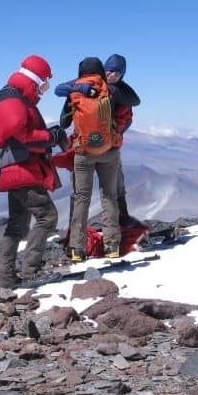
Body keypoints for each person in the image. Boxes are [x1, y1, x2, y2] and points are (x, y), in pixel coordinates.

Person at [0, 54, 66, 288]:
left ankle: (6, 278)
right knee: (47, 216)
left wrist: (48, 136)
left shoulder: (14, 96)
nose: (44, 90)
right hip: (21, 170)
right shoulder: (12, 98)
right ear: (34, 78)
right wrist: (49, 138)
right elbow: (18, 135)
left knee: (18, 224)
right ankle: (31, 272)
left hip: (16, 170)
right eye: (43, 83)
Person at [61, 57, 122, 262]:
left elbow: (63, 122)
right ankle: (112, 245)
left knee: (82, 198)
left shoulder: (75, 91)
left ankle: (77, 249)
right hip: (109, 150)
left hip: (83, 152)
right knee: (109, 196)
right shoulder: (111, 91)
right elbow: (130, 105)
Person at [102, 54, 141, 226]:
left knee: (116, 187)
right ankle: (75, 236)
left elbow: (135, 103)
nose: (112, 76)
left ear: (122, 76)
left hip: (108, 146)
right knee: (82, 192)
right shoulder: (92, 85)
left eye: (117, 74)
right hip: (96, 145)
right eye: (109, 71)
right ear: (104, 69)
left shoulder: (121, 93)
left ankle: (122, 221)